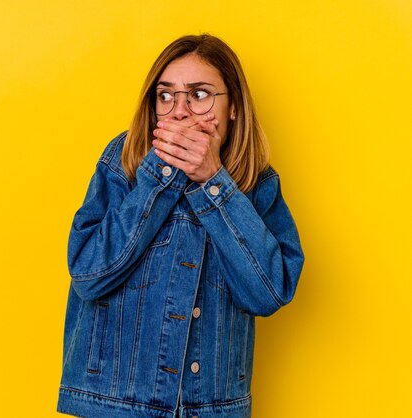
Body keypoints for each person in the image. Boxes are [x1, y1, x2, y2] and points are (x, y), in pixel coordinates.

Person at [57, 34, 304, 418]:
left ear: (233, 106)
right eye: (166, 96)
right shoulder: (123, 162)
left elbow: (269, 292)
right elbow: (88, 275)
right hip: (113, 406)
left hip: (210, 408)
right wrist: (161, 177)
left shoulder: (255, 182)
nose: (180, 112)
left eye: (200, 95)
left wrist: (214, 183)